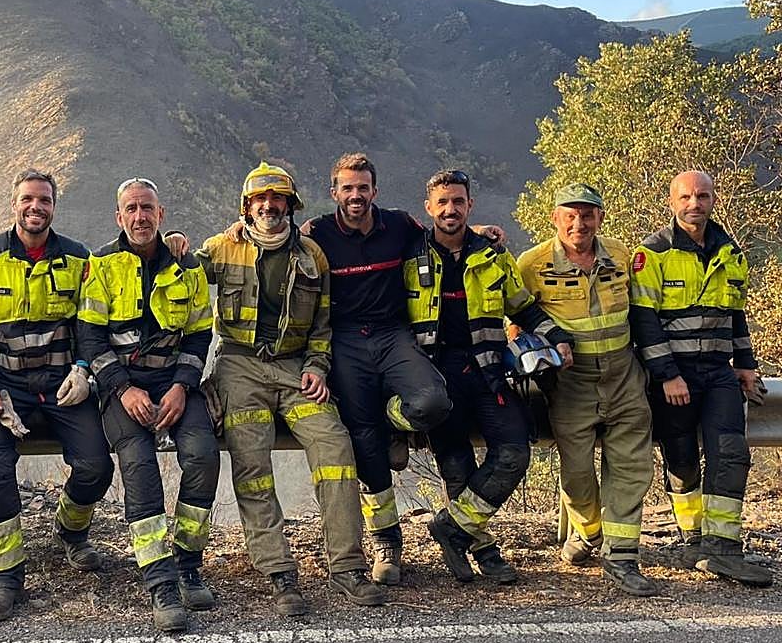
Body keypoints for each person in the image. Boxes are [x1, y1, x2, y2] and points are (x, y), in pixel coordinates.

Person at [197, 161, 385, 615]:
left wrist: (319, 367)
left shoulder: (312, 255)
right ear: (246, 206)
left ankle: (347, 568)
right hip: (239, 367)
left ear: (290, 204)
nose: (268, 206)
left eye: (276, 198)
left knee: (335, 449)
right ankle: (280, 574)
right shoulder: (219, 249)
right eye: (259, 200)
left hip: (296, 369)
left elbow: (322, 325)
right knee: (252, 465)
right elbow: (172, 280)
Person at [0, 169, 115, 623]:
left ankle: (70, 530)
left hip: (64, 387)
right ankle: (4, 579)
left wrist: (85, 372)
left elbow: (90, 327)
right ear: (14, 205)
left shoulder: (80, 259)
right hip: (6, 389)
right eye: (28, 199)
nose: (35, 207)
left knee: (96, 466)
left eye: (44, 200)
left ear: (53, 207)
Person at [408, 170, 573, 584]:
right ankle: (486, 551)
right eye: (442, 202)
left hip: (487, 372)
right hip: (433, 377)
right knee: (457, 468)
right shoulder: (409, 253)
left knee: (515, 453)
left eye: (458, 201)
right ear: (429, 208)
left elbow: (524, 308)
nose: (451, 209)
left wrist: (560, 339)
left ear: (470, 205)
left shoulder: (492, 254)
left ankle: (453, 530)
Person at [302, 153, 454, 585]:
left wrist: (479, 232)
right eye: (347, 188)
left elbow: (441, 239)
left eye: (362, 188)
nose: (355, 196)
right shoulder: (318, 233)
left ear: (375, 191)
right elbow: (269, 241)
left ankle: (394, 418)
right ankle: (387, 541)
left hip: (393, 335)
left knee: (432, 403)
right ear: (334, 193)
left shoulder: (400, 226)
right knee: (362, 437)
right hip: (345, 340)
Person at [77, 177, 220, 632]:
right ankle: (159, 582)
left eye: (148, 209)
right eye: (131, 209)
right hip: (123, 387)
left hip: (174, 383)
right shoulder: (101, 263)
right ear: (119, 217)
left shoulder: (188, 265)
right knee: (139, 468)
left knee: (202, 456)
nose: (140, 217)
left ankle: (188, 563)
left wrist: (182, 385)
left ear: (161, 215)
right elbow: (90, 335)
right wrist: (121, 388)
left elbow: (200, 332)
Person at [629, 170, 772, 587]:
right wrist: (668, 375)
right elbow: (644, 321)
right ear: (672, 201)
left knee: (730, 453)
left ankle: (722, 548)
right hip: (675, 376)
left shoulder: (731, 252)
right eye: (687, 196)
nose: (695, 203)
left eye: (703, 195)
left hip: (719, 373)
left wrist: (745, 364)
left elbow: (736, 314)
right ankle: (692, 539)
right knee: (682, 460)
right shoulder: (652, 253)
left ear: (713, 199)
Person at [517, 183, 657, 596]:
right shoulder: (533, 263)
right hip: (571, 384)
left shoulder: (620, 254)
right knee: (577, 473)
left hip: (623, 376)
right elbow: (518, 318)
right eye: (571, 214)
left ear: (600, 216)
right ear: (555, 218)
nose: (580, 222)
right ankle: (589, 531)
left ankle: (622, 555)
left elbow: (643, 308)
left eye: (588, 214)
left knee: (632, 466)